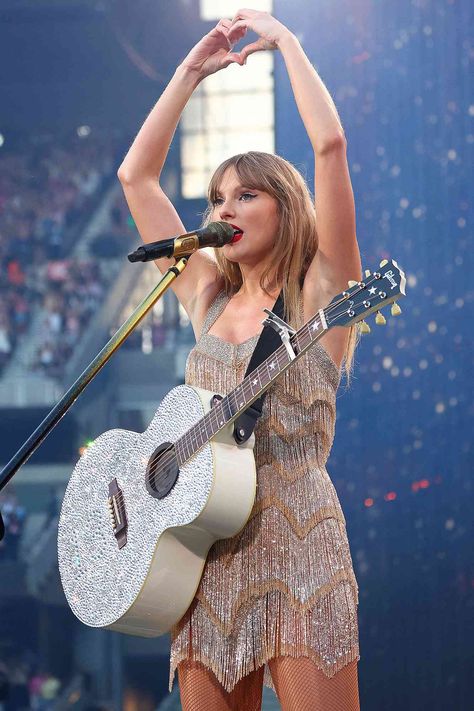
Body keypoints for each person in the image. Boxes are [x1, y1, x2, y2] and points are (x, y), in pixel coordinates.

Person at [118, 8, 362, 710]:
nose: (225, 208)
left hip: (301, 537)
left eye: (245, 195)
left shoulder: (322, 292)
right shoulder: (203, 293)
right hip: (206, 552)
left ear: (284, 207)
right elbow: (137, 179)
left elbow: (331, 146)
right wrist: (188, 73)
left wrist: (287, 42)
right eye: (217, 196)